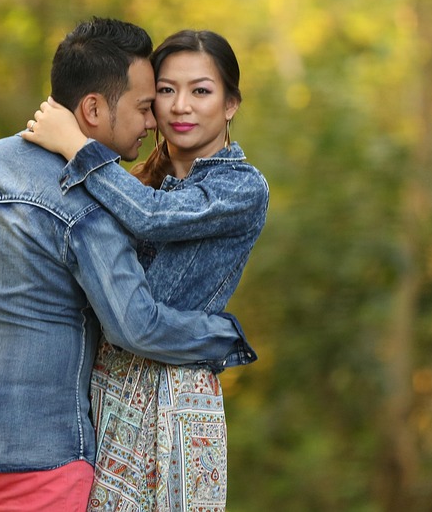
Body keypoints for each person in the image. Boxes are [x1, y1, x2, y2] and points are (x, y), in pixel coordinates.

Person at [0, 18, 256, 512]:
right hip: (41, 446)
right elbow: (134, 325)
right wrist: (221, 337)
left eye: (199, 91)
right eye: (150, 102)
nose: (157, 118)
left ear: (230, 104)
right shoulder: (89, 203)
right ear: (95, 108)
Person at [22, 29, 269, 512]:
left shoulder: (242, 188)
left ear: (231, 104)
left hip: (173, 394)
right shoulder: (134, 182)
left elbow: (152, 217)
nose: (181, 106)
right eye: (166, 90)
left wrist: (77, 145)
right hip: (103, 389)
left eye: (201, 91)